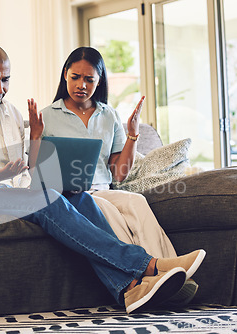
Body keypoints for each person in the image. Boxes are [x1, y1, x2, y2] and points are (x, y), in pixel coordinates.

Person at [0, 42, 205, 314]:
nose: (0, 89)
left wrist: (34, 142)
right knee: (44, 198)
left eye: (6, 80)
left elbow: (26, 172)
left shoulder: (10, 112)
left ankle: (130, 288)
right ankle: (149, 265)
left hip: (11, 193)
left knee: (80, 198)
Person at [39, 46, 201, 303]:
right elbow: (40, 170)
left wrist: (133, 134)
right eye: (75, 77)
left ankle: (174, 274)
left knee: (137, 201)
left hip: (106, 187)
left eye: (89, 79)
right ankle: (143, 280)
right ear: (65, 76)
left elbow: (120, 174)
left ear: (99, 81)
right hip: (73, 193)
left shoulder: (108, 115)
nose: (81, 84)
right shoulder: (47, 116)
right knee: (107, 210)